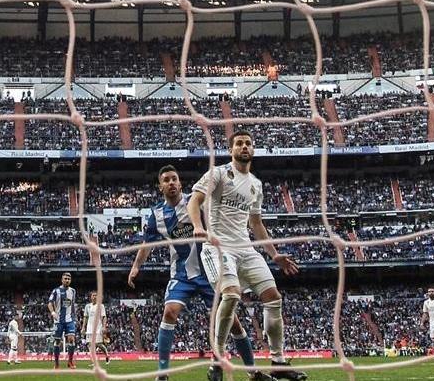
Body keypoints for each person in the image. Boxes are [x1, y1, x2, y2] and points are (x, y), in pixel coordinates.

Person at [129, 165, 268, 381]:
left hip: (210, 271)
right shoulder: (156, 214)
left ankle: (253, 371)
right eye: (166, 180)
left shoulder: (196, 202)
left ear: (180, 182)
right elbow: (146, 244)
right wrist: (136, 266)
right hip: (182, 274)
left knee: (233, 322)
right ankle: (162, 374)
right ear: (160, 186)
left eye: (174, 178)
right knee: (169, 312)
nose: (171, 183)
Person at [188, 132, 307, 381]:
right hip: (218, 247)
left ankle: (278, 362)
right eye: (239, 143)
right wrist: (198, 226)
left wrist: (274, 255)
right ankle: (217, 361)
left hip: (246, 249)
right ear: (231, 149)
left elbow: (256, 223)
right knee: (231, 295)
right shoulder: (218, 174)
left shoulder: (256, 184)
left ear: (253, 149)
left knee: (274, 298)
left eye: (248, 143)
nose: (244, 147)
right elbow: (194, 201)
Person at [48, 272, 78, 369]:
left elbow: (72, 305)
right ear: (62, 280)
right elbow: (50, 303)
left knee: (71, 340)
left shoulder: (73, 291)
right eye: (65, 278)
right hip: (59, 320)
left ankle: (70, 362)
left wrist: (75, 316)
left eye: (68, 279)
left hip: (69, 319)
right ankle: (56, 363)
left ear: (70, 280)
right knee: (57, 342)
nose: (67, 280)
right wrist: (53, 312)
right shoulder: (56, 291)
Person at [82, 291, 109, 366]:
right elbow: (85, 317)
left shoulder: (101, 306)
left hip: (98, 328)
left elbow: (104, 317)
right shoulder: (87, 306)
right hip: (89, 329)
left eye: (96, 295)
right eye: (93, 295)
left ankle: (107, 354)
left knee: (98, 344)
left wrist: (104, 326)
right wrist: (83, 327)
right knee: (90, 345)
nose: (94, 297)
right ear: (90, 297)